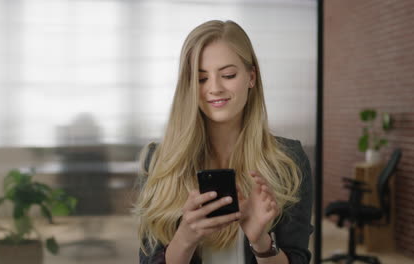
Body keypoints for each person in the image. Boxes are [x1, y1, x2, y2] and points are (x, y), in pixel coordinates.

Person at [134, 20, 313, 264]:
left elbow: (298, 258)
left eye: (228, 75)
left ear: (251, 77)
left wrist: (261, 241)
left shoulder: (288, 160)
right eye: (201, 79)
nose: (214, 88)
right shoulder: (159, 160)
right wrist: (185, 237)